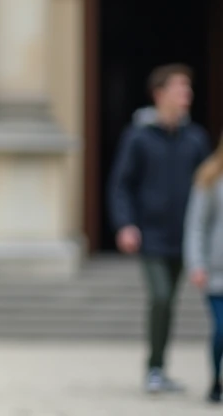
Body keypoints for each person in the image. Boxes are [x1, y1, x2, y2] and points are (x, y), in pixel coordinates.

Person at [110, 63, 211, 395]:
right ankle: (154, 368)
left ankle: (160, 369)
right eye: (181, 88)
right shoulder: (138, 138)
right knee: (161, 296)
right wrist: (126, 224)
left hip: (184, 238)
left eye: (188, 89)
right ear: (159, 94)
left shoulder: (195, 139)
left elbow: (208, 187)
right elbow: (121, 185)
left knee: (170, 302)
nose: (187, 94)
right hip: (151, 236)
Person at [184, 138, 223, 404]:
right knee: (222, 328)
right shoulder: (211, 177)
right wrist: (196, 263)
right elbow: (196, 225)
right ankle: (216, 379)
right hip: (217, 273)